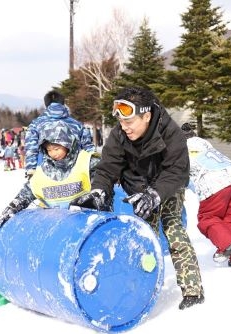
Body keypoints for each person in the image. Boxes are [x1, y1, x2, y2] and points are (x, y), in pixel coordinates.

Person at [69, 87, 204, 310]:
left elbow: (177, 172)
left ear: (147, 116)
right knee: (142, 237)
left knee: (172, 229)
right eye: (121, 121)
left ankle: (193, 290)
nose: (124, 126)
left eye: (129, 121)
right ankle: (140, 288)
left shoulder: (172, 134)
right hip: (138, 188)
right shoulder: (119, 134)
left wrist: (155, 195)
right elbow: (107, 169)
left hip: (167, 186)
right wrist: (99, 191)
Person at [0, 120, 100, 228]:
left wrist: (94, 199)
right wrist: (13, 207)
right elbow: (27, 192)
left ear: (68, 144)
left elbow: (103, 183)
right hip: (54, 227)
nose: (53, 153)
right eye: (49, 150)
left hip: (86, 225)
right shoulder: (44, 171)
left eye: (56, 149)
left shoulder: (86, 162)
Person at [181, 123, 231, 270]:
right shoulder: (204, 145)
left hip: (215, 184)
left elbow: (178, 174)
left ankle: (226, 244)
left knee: (207, 219)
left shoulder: (181, 150)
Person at [24, 90, 95, 180]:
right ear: (63, 103)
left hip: (47, 173)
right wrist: (94, 164)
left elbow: (31, 147)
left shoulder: (36, 124)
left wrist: (31, 168)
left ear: (46, 105)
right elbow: (88, 146)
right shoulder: (76, 124)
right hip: (76, 172)